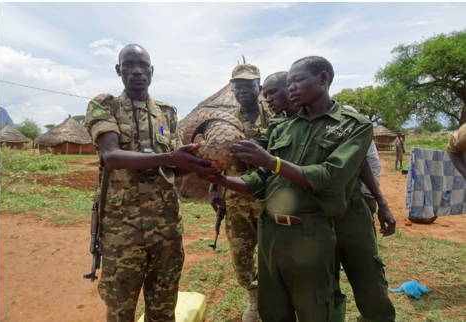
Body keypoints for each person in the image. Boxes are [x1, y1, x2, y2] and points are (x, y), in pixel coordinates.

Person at [201, 56, 375, 322]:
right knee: (274, 308)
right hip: (270, 230)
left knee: (315, 307)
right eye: (289, 82)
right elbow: (259, 179)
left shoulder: (354, 125)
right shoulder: (281, 127)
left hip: (310, 231)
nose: (291, 88)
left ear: (323, 79)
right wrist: (217, 178)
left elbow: (330, 178)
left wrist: (271, 161)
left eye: (297, 81)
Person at [85, 44, 217, 322]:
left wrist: (198, 166)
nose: (136, 71)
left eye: (143, 65)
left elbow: (173, 166)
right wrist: (169, 156)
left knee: (164, 307)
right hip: (123, 231)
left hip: (165, 227)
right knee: (121, 310)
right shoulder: (105, 105)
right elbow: (111, 156)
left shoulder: (166, 113)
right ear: (118, 69)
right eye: (129, 64)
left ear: (152, 70)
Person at [262, 73, 396, 321]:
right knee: (323, 285)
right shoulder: (280, 126)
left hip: (349, 210)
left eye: (274, 92)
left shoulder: (344, 118)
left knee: (367, 274)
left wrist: (379, 200)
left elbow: (364, 163)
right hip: (313, 218)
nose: (269, 99)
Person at [208, 63, 272, 322]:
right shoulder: (224, 122)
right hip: (235, 201)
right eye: (238, 86)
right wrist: (214, 187)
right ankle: (254, 298)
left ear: (259, 88)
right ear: (232, 89)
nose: (243, 90)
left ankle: (275, 301)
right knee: (241, 257)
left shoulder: (277, 116)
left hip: (272, 200)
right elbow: (217, 157)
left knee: (274, 256)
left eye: (249, 85)